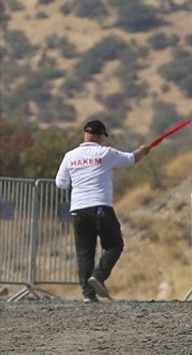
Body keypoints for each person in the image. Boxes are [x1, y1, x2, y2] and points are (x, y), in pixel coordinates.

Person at [54, 119, 151, 302]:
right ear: (100, 136)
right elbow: (132, 159)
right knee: (114, 244)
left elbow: (61, 183)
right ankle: (98, 276)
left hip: (78, 210)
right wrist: (143, 151)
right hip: (100, 206)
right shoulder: (106, 153)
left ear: (85, 134)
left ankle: (88, 295)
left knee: (85, 253)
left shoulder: (70, 156)